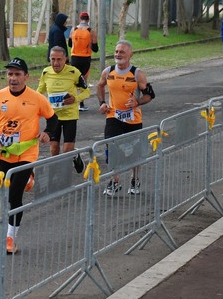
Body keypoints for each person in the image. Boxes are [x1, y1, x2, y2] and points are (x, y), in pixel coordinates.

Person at [0, 57, 58, 254]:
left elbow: (53, 118)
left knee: (14, 196)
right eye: (10, 74)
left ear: (26, 76)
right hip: (6, 153)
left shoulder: (37, 98)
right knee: (9, 191)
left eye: (17, 74)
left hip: (27, 152)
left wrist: (47, 133)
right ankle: (29, 179)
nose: (13, 78)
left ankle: (10, 238)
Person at [97, 40, 155, 196]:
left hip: (133, 119)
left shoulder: (137, 73)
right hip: (113, 116)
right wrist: (102, 102)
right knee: (111, 149)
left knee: (134, 153)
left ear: (130, 55)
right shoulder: (108, 71)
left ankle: (135, 179)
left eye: (122, 52)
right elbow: (100, 86)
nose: (118, 54)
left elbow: (150, 95)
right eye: (116, 51)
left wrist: (137, 101)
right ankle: (114, 182)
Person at [37, 46, 90, 172]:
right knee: (54, 149)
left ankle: (74, 155)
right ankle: (57, 174)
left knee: (67, 150)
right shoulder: (46, 72)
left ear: (65, 59)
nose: (56, 63)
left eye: (59, 59)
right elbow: (39, 92)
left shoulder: (73, 72)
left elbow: (86, 91)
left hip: (70, 116)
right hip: (53, 117)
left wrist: (75, 99)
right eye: (53, 59)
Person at [68, 12, 98, 111]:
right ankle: (81, 104)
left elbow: (69, 44)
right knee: (83, 80)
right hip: (85, 58)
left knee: (73, 80)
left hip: (74, 57)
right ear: (88, 19)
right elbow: (95, 48)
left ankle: (72, 102)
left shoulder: (74, 29)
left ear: (80, 19)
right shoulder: (91, 31)